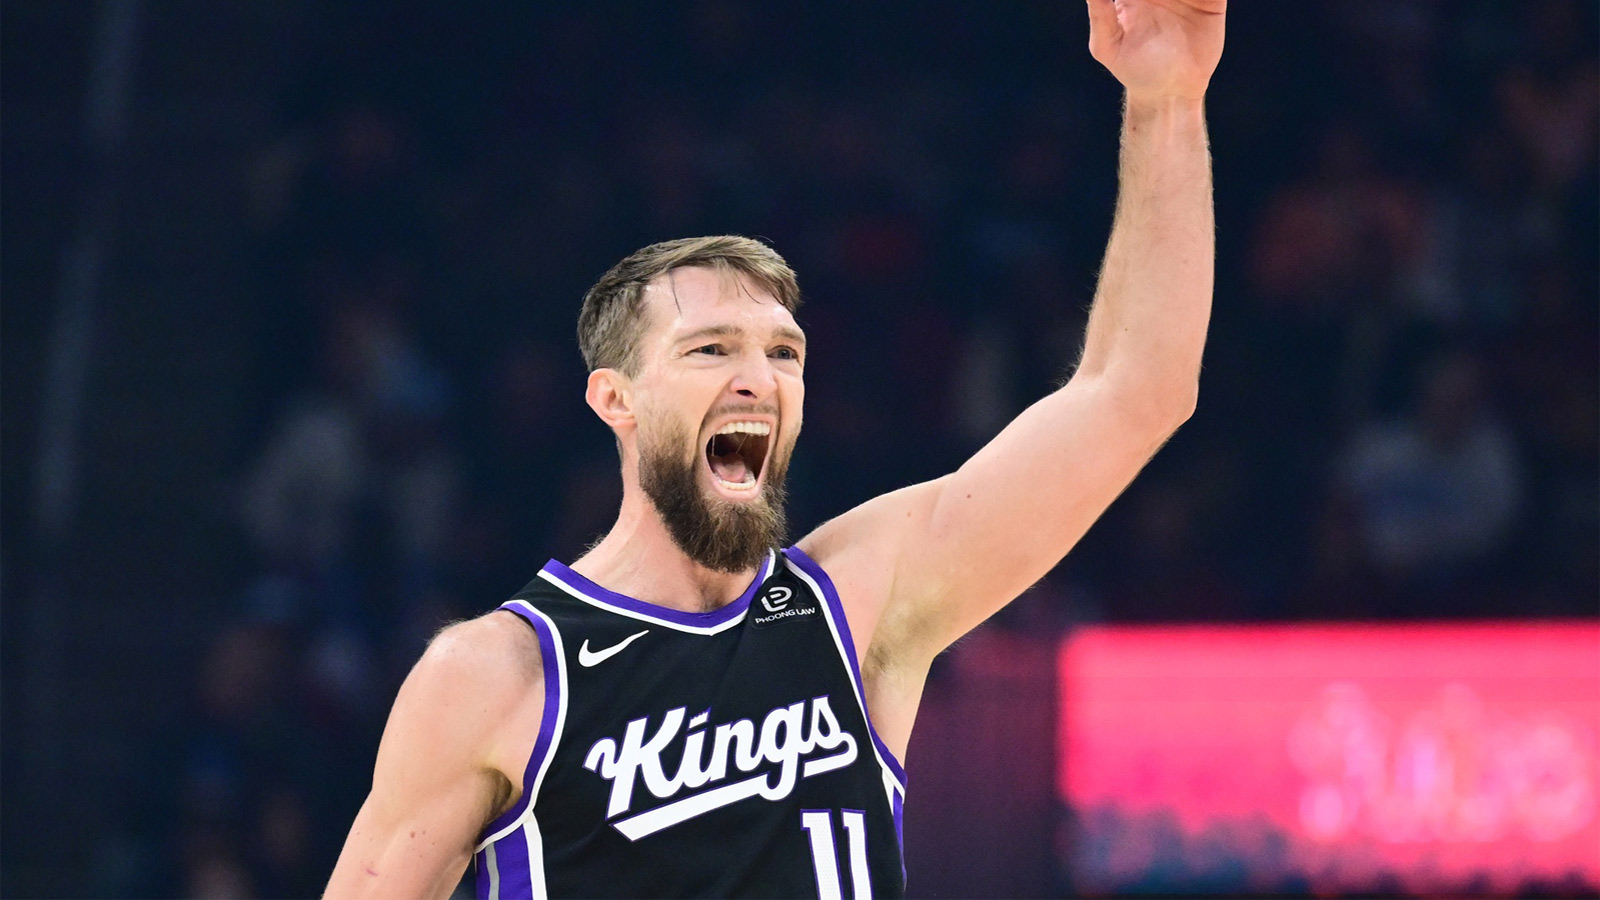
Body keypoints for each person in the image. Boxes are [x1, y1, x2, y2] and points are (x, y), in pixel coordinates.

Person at [325, 1, 1225, 896]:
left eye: (783, 352)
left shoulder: (858, 602)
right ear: (616, 399)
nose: (759, 376)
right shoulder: (500, 674)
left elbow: (1136, 392)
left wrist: (1169, 99)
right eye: (711, 347)